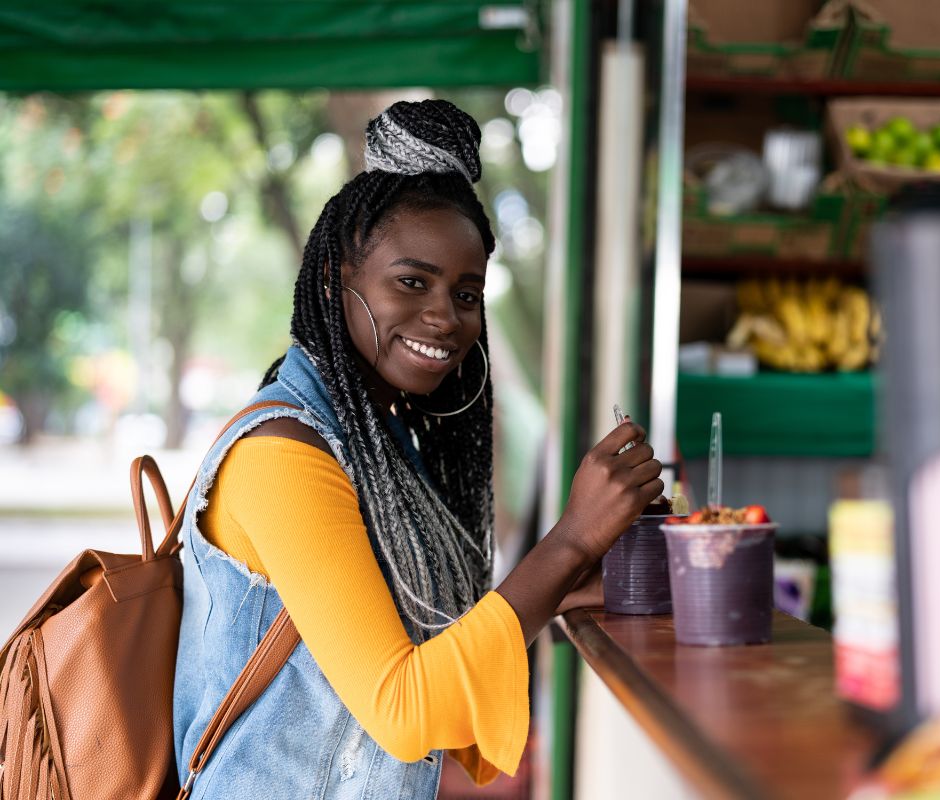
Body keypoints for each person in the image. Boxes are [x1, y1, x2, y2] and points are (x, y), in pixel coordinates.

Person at [172, 99, 664, 797]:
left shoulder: (379, 442)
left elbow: (429, 648)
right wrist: (571, 542)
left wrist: (570, 580)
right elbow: (403, 710)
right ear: (332, 280)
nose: (446, 315)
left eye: (467, 292)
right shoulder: (281, 456)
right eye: (412, 281)